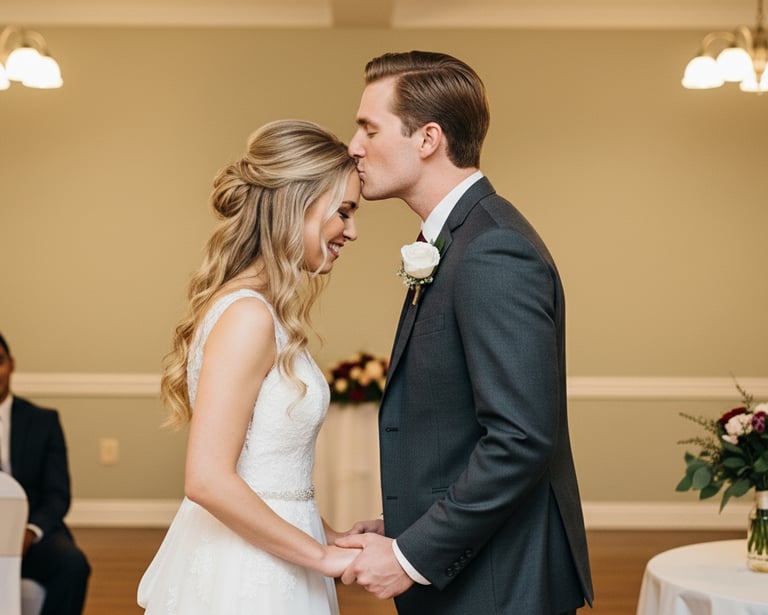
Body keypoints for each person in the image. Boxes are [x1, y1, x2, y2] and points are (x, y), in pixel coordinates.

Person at [336, 51, 594, 614]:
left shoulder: (492, 249)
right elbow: (457, 425)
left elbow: (520, 439)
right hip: (479, 568)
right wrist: (405, 523)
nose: (353, 146)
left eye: (369, 128)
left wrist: (410, 555)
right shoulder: (460, 238)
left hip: (502, 584)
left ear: (428, 139)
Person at [137, 119, 362, 614]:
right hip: (245, 572)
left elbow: (269, 477)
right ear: (298, 205)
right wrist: (323, 558)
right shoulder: (248, 316)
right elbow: (207, 479)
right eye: (344, 212)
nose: (352, 231)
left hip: (275, 555)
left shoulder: (262, 310)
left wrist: (331, 536)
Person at [0, 333, 91, 615]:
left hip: (31, 532)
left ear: (11, 364)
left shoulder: (44, 421)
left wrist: (29, 531)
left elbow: (57, 494)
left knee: (73, 565)